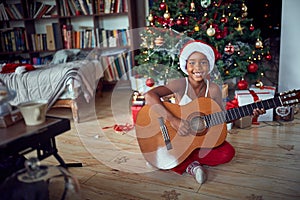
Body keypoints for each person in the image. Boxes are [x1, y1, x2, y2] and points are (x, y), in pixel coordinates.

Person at [144, 40, 266, 184]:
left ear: (209, 66)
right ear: (185, 65)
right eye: (192, 63)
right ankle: (190, 166)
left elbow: (222, 118)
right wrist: (173, 120)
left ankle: (177, 161)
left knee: (227, 153)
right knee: (170, 150)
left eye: (203, 62)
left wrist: (250, 114)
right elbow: (149, 96)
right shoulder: (180, 84)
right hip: (177, 138)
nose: (198, 67)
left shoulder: (213, 89)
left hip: (199, 140)